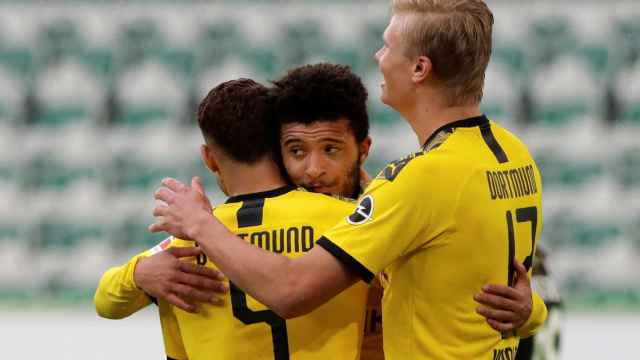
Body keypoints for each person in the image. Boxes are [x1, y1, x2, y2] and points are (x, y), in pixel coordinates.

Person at [150, 1, 547, 359]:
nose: (379, 56)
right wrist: (532, 311)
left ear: (419, 69)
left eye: (388, 45)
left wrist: (200, 223)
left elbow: (289, 292)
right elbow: (501, 287)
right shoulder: (514, 155)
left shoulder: (420, 179)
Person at [97, 78, 371, 360]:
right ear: (279, 146)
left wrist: (137, 274)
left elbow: (105, 300)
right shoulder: (348, 220)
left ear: (209, 158)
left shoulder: (183, 248)